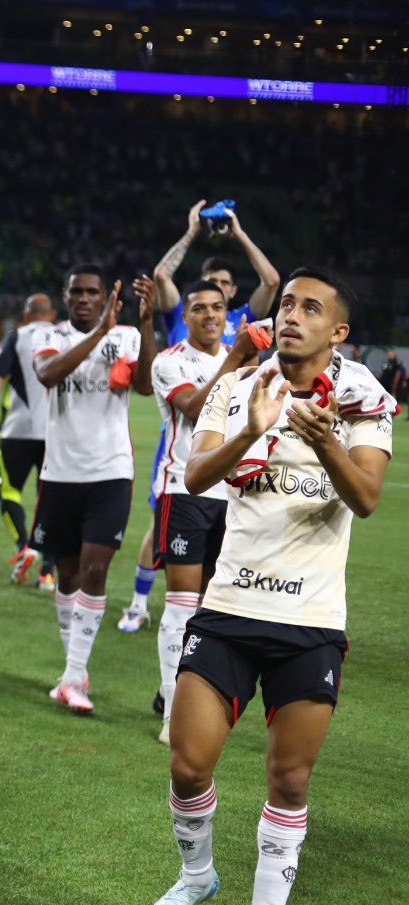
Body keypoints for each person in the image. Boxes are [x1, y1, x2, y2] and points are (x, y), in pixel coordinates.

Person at [138, 268, 393, 905]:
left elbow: (367, 498)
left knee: (288, 777)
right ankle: (195, 878)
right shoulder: (239, 385)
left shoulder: (363, 398)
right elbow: (193, 474)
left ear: (338, 331)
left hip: (310, 619)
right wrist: (253, 427)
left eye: (312, 308)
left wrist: (326, 445)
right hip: (229, 607)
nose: (293, 316)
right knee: (188, 764)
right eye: (287, 304)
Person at [30, 269, 147, 714]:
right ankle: (73, 669)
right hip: (60, 474)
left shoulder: (128, 336)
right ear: (65, 295)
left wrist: (149, 325)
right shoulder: (50, 334)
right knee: (68, 574)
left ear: (105, 297)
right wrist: (99, 332)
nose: (83, 298)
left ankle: (73, 676)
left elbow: (143, 385)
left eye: (91, 292)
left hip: (109, 472)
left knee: (95, 572)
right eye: (76, 291)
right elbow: (47, 374)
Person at [147, 278, 256, 744]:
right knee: (180, 604)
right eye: (199, 308)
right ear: (185, 315)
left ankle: (198, 705)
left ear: (226, 313)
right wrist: (236, 360)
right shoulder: (170, 362)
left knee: (213, 609)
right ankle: (173, 712)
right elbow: (194, 408)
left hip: (230, 496)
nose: (210, 315)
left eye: (218, 307)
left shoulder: (248, 365)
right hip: (183, 490)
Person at [0, 292, 56, 586]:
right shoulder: (64, 337)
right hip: (56, 434)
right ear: (52, 315)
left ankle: (23, 547)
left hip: (18, 430)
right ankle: (47, 572)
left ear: (26, 313)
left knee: (8, 492)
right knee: (50, 501)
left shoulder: (16, 337)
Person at [152, 201, 280, 348]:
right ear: (200, 285)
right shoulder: (182, 315)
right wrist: (192, 233)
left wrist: (240, 235)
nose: (218, 286)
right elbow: (161, 276)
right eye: (212, 281)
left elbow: (271, 282)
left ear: (233, 291)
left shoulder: (242, 319)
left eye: (224, 283)